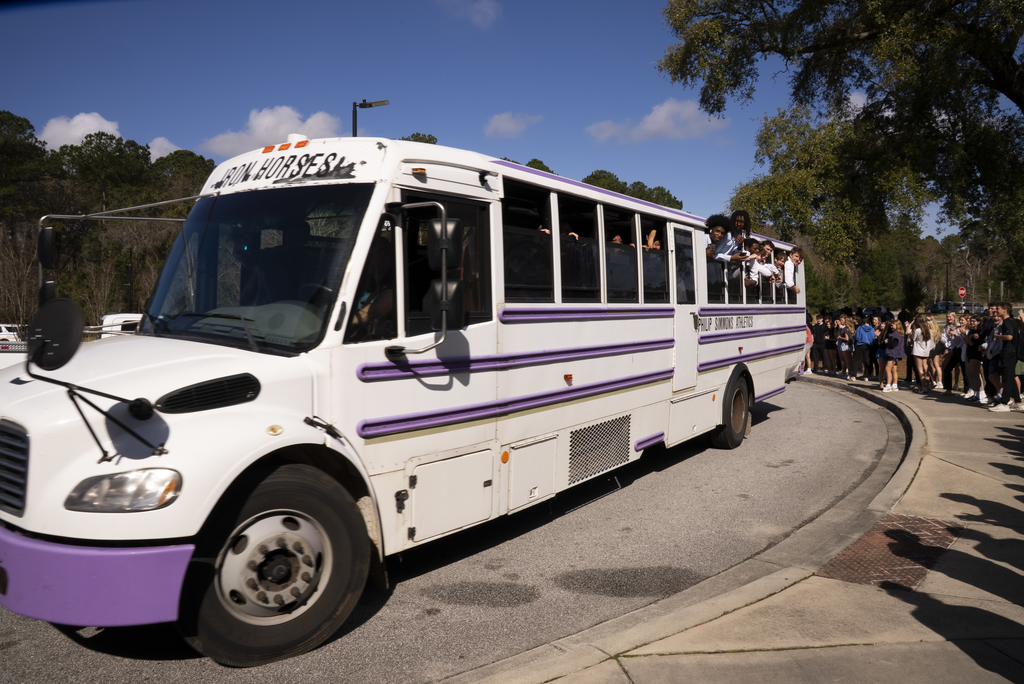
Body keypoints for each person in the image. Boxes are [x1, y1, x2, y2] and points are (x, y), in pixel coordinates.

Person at [989, 302, 1021, 411]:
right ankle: (1018, 402)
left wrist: (997, 335)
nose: (996, 311)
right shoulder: (1011, 321)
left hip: (1009, 354)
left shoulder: (1007, 322)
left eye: (998, 309)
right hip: (1010, 354)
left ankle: (1004, 404)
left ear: (1005, 310)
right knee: (1010, 378)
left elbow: (1009, 337)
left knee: (1007, 379)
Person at [854, 315, 876, 380]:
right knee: (867, 360)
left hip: (860, 345)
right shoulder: (872, 329)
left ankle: (853, 375)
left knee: (856, 360)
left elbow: (856, 336)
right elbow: (873, 337)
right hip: (868, 345)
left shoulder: (860, 328)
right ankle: (866, 376)